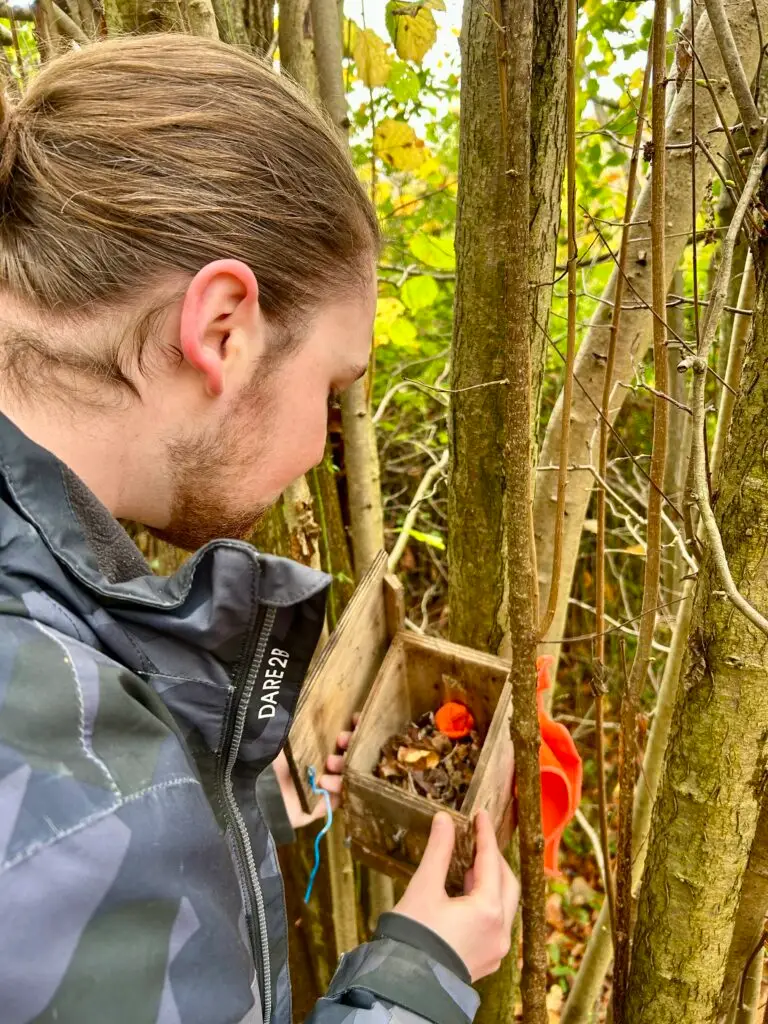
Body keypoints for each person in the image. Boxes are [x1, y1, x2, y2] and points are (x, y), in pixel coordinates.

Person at [0, 34, 519, 1024]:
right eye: (332, 386)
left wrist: (211, 797)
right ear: (224, 328)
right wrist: (418, 979)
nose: (323, 443)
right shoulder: (84, 784)